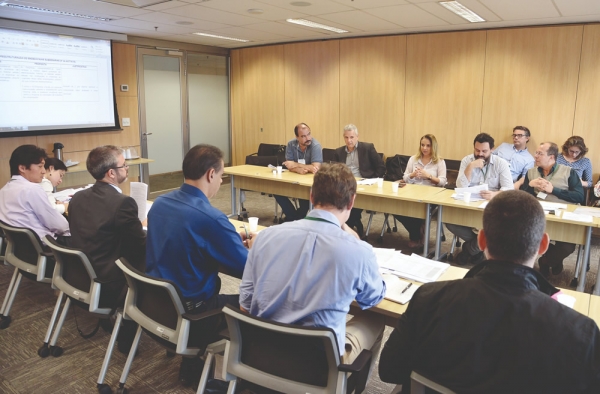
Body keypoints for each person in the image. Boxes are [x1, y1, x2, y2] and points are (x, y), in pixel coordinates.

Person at [379, 190, 600, 394]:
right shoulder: (581, 332)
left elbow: (389, 371)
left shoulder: (428, 297)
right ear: (543, 245)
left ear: (481, 240)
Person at [240, 163, 386, 374]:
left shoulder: (265, 237)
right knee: (375, 318)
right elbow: (372, 299)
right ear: (352, 201)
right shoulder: (358, 251)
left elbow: (245, 304)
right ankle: (346, 383)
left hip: (260, 355)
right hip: (318, 368)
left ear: (311, 196)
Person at [146, 144, 253, 386]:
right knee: (261, 303)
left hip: (157, 305)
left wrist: (226, 240)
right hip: (196, 312)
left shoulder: (160, 203)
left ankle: (193, 363)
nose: (221, 181)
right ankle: (245, 378)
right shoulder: (212, 218)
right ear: (210, 174)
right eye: (222, 175)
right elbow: (248, 270)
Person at [68, 145, 146, 353]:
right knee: (156, 260)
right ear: (111, 173)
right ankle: (128, 335)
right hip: (110, 281)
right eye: (124, 165)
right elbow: (140, 246)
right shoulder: (122, 203)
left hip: (82, 275)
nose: (127, 169)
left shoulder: (78, 197)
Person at [515, 142, 584, 275]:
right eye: (536, 153)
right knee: (527, 238)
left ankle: (546, 261)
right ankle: (552, 261)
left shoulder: (569, 172)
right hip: (539, 216)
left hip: (564, 216)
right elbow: (523, 198)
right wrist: (529, 185)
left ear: (551, 157)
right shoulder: (531, 172)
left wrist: (554, 190)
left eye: (540, 153)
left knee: (567, 247)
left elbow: (580, 196)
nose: (535, 156)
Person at [446, 133, 512, 265]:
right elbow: (460, 186)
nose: (480, 154)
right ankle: (479, 248)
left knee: (497, 229)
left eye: (484, 151)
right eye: (477, 150)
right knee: (449, 220)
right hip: (469, 205)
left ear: (492, 150)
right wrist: (470, 167)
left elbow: (509, 190)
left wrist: (494, 194)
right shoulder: (467, 160)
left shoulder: (501, 164)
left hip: (492, 208)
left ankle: (469, 250)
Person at [0, 145, 69, 242]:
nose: (44, 171)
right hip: (47, 248)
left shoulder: (4, 190)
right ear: (22, 168)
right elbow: (60, 226)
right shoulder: (32, 189)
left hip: (20, 248)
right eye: (40, 166)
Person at [394, 134, 446, 248]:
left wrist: (428, 176)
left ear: (434, 147)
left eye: (428, 145)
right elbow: (405, 177)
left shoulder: (439, 161)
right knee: (396, 207)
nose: (425, 148)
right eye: (422, 145)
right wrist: (412, 175)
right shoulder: (414, 159)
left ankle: (415, 236)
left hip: (430, 196)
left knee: (418, 209)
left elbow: (443, 182)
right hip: (411, 193)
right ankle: (418, 232)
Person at [334, 124, 385, 238]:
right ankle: (352, 225)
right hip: (345, 185)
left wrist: (373, 180)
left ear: (357, 137)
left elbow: (381, 167)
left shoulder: (367, 148)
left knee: (353, 205)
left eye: (352, 137)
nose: (349, 140)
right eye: (346, 137)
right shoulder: (339, 152)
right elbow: (336, 171)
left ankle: (350, 228)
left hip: (365, 184)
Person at [274, 123, 323, 221]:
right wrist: (298, 169)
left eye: (309, 134)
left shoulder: (315, 145)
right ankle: (295, 217)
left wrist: (297, 165)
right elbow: (289, 165)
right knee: (276, 189)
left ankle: (294, 218)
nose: (308, 138)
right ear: (297, 137)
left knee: (304, 196)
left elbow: (315, 168)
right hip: (295, 176)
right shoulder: (291, 144)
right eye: (303, 136)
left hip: (309, 181)